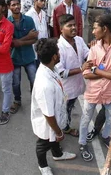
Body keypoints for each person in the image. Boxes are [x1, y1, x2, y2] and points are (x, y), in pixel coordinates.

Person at [78, 14, 111, 162]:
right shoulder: (95, 47)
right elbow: (86, 73)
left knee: (110, 119)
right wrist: (108, 72)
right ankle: (82, 143)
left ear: (105, 29)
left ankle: (106, 136)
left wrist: (97, 70)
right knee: (85, 119)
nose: (93, 31)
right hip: (93, 91)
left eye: (95, 28)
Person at [31, 38, 77, 175]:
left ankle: (57, 154)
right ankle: (43, 166)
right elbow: (48, 114)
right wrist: (58, 131)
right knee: (43, 144)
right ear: (54, 57)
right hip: (47, 122)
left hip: (55, 116)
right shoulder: (44, 84)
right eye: (58, 51)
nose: (60, 53)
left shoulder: (51, 68)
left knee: (54, 139)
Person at [55, 14, 90, 136]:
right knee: (64, 110)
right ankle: (64, 130)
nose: (74, 27)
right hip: (66, 88)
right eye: (69, 25)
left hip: (77, 84)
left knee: (69, 108)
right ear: (61, 29)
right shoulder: (59, 47)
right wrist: (81, 68)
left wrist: (96, 50)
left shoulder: (79, 40)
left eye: (74, 25)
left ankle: (64, 127)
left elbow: (87, 54)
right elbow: (62, 72)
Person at [8, 0, 38, 115]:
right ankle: (17, 101)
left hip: (29, 56)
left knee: (33, 79)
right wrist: (25, 39)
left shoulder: (29, 20)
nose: (16, 7)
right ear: (9, 7)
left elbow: (34, 39)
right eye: (13, 5)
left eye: (17, 4)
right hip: (14, 58)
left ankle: (35, 100)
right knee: (15, 82)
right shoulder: (7, 23)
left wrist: (18, 42)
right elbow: (11, 43)